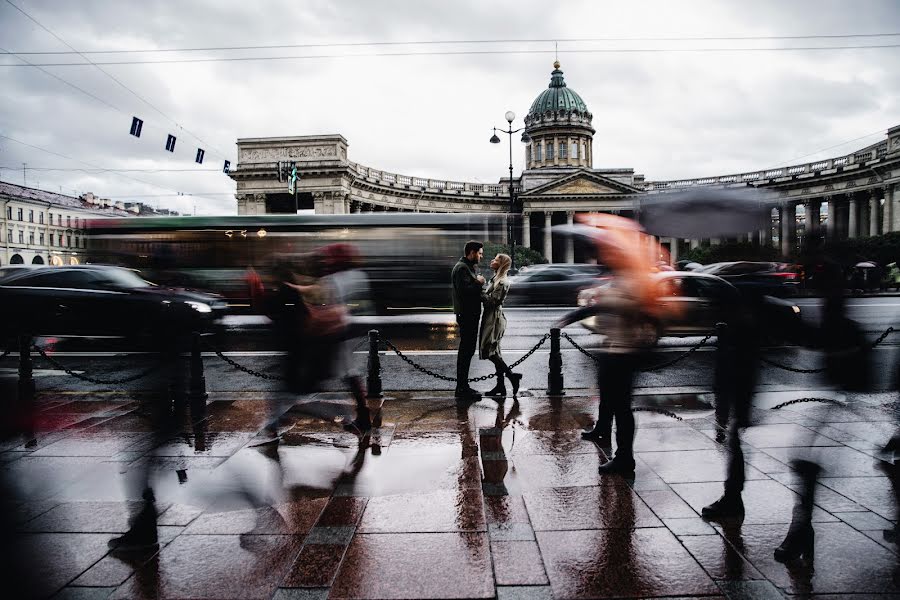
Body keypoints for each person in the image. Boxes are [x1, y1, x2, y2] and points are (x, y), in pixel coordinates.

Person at [479, 253, 522, 399]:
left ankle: (512, 378)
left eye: (496, 259)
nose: (492, 260)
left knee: (490, 351)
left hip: (494, 318)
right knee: (495, 353)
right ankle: (501, 386)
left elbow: (493, 301)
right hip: (490, 316)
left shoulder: (502, 281)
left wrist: (479, 289)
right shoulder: (496, 278)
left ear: (502, 263)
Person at [452, 240, 486, 400]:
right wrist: (478, 283)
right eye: (479, 253)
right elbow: (465, 292)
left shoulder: (467, 267)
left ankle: (463, 386)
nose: (481, 256)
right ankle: (462, 388)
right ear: (471, 252)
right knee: (466, 351)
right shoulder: (461, 268)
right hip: (467, 315)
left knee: (468, 351)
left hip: (469, 315)